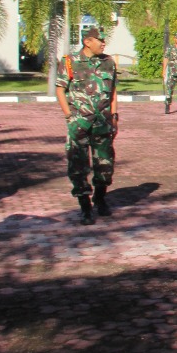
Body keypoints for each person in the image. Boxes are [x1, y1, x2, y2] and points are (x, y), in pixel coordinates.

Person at [57, 27, 118, 225]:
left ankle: (100, 198)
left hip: (103, 123)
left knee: (105, 165)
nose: (103, 43)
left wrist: (114, 115)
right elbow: (60, 89)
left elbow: (113, 91)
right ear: (87, 41)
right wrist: (68, 115)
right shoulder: (70, 61)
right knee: (78, 166)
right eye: (100, 40)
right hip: (79, 123)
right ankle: (84, 206)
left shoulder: (108, 62)